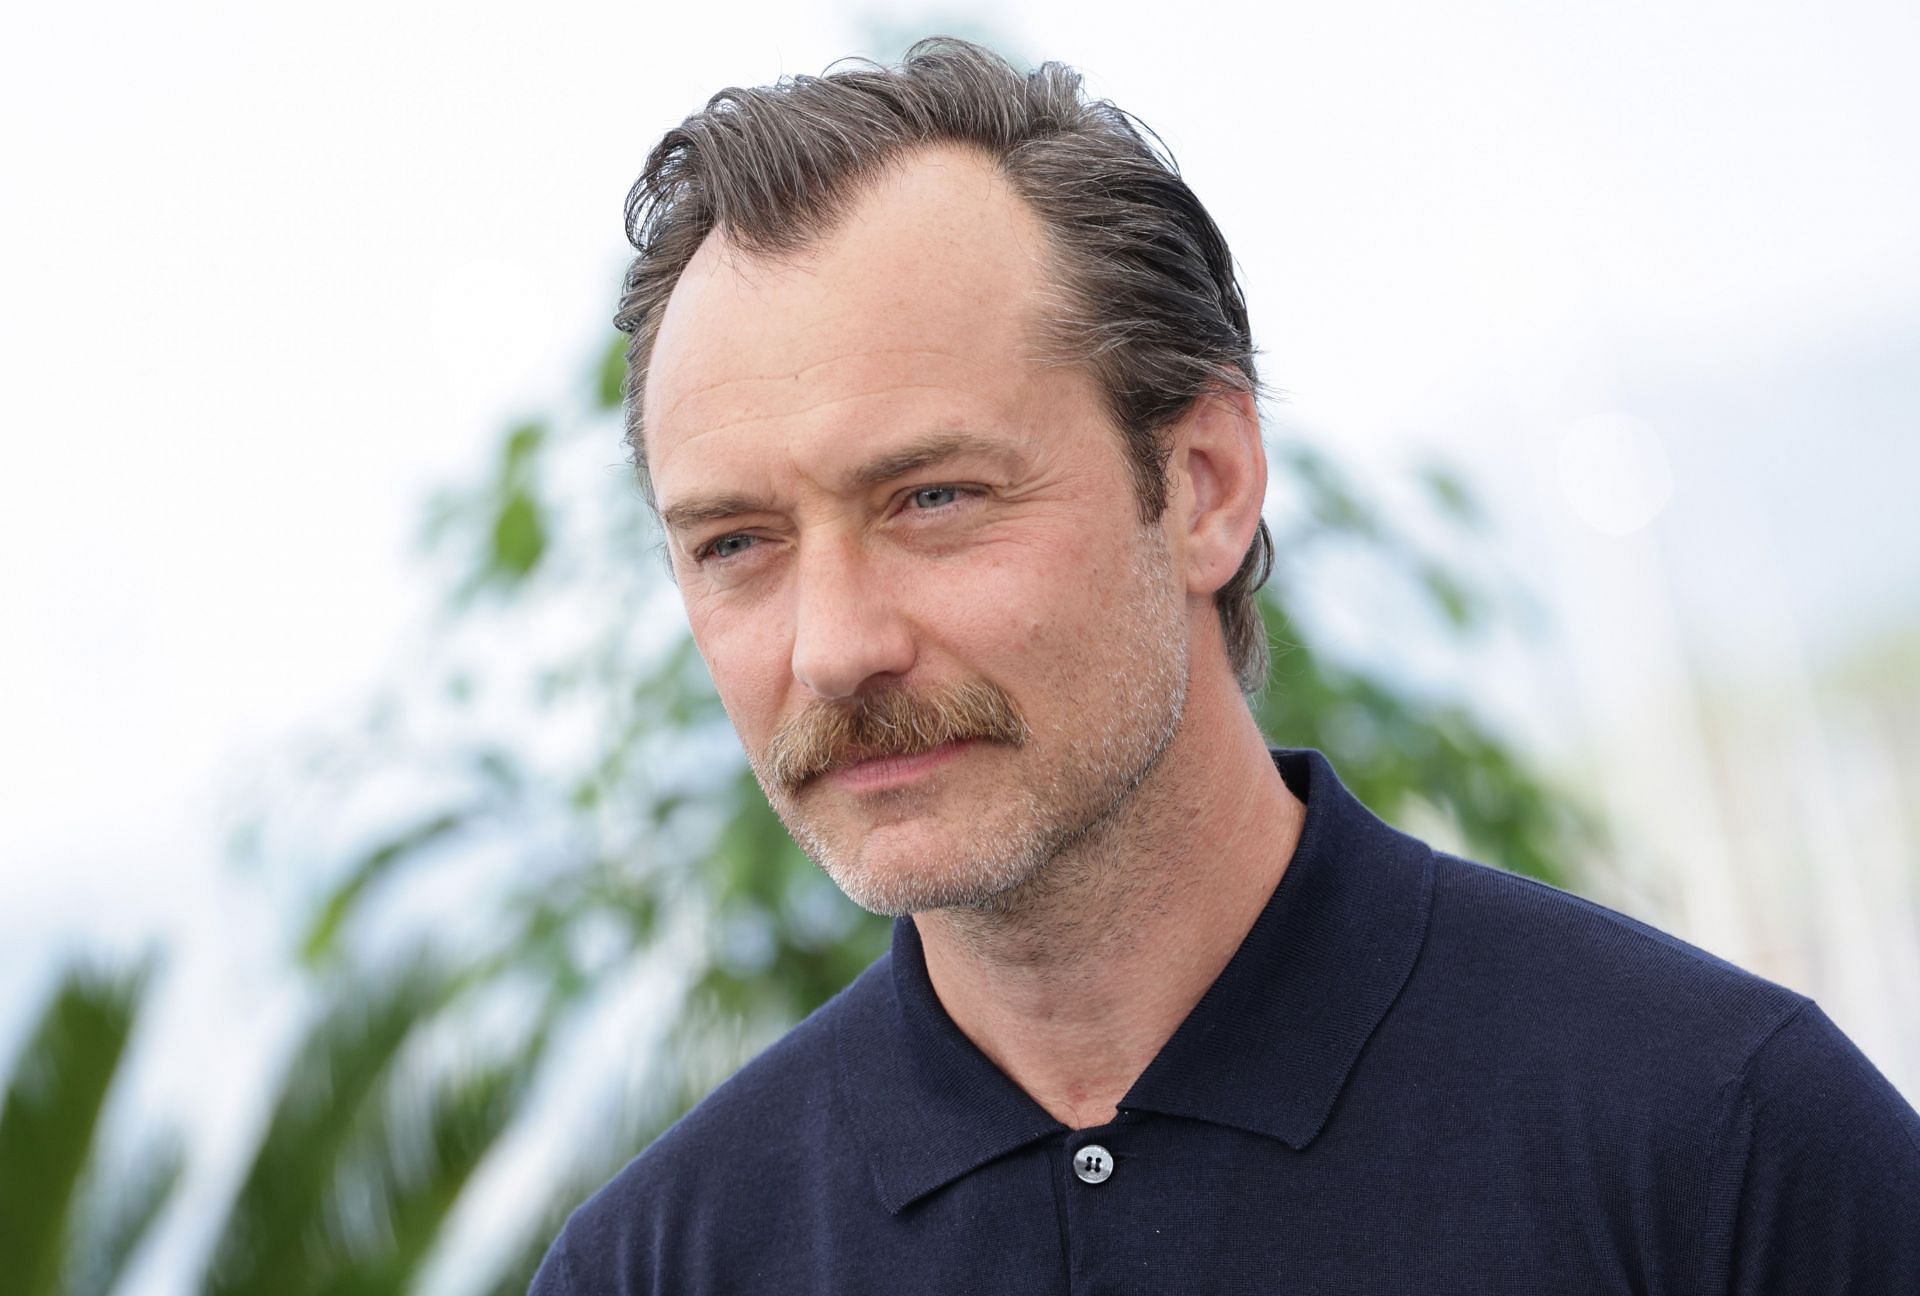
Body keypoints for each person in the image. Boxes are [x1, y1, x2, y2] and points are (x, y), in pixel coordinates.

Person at [531, 37, 1920, 1295]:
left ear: (1205, 485)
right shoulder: (654, 1266)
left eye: (932, 498)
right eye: (736, 544)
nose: (835, 647)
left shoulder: (1727, 1148)